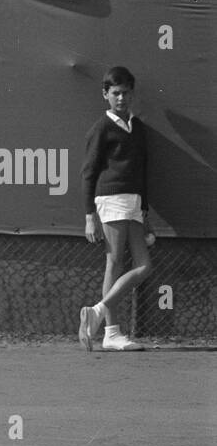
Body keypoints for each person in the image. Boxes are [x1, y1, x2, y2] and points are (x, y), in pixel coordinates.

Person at [77, 67, 152, 352]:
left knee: (144, 266)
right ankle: (111, 332)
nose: (121, 98)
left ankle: (97, 312)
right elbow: (88, 173)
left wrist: (145, 211)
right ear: (106, 95)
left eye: (126, 93)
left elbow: (143, 171)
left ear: (132, 94)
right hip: (110, 199)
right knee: (115, 262)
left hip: (132, 203)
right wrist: (89, 217)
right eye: (116, 93)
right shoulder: (102, 128)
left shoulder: (138, 126)